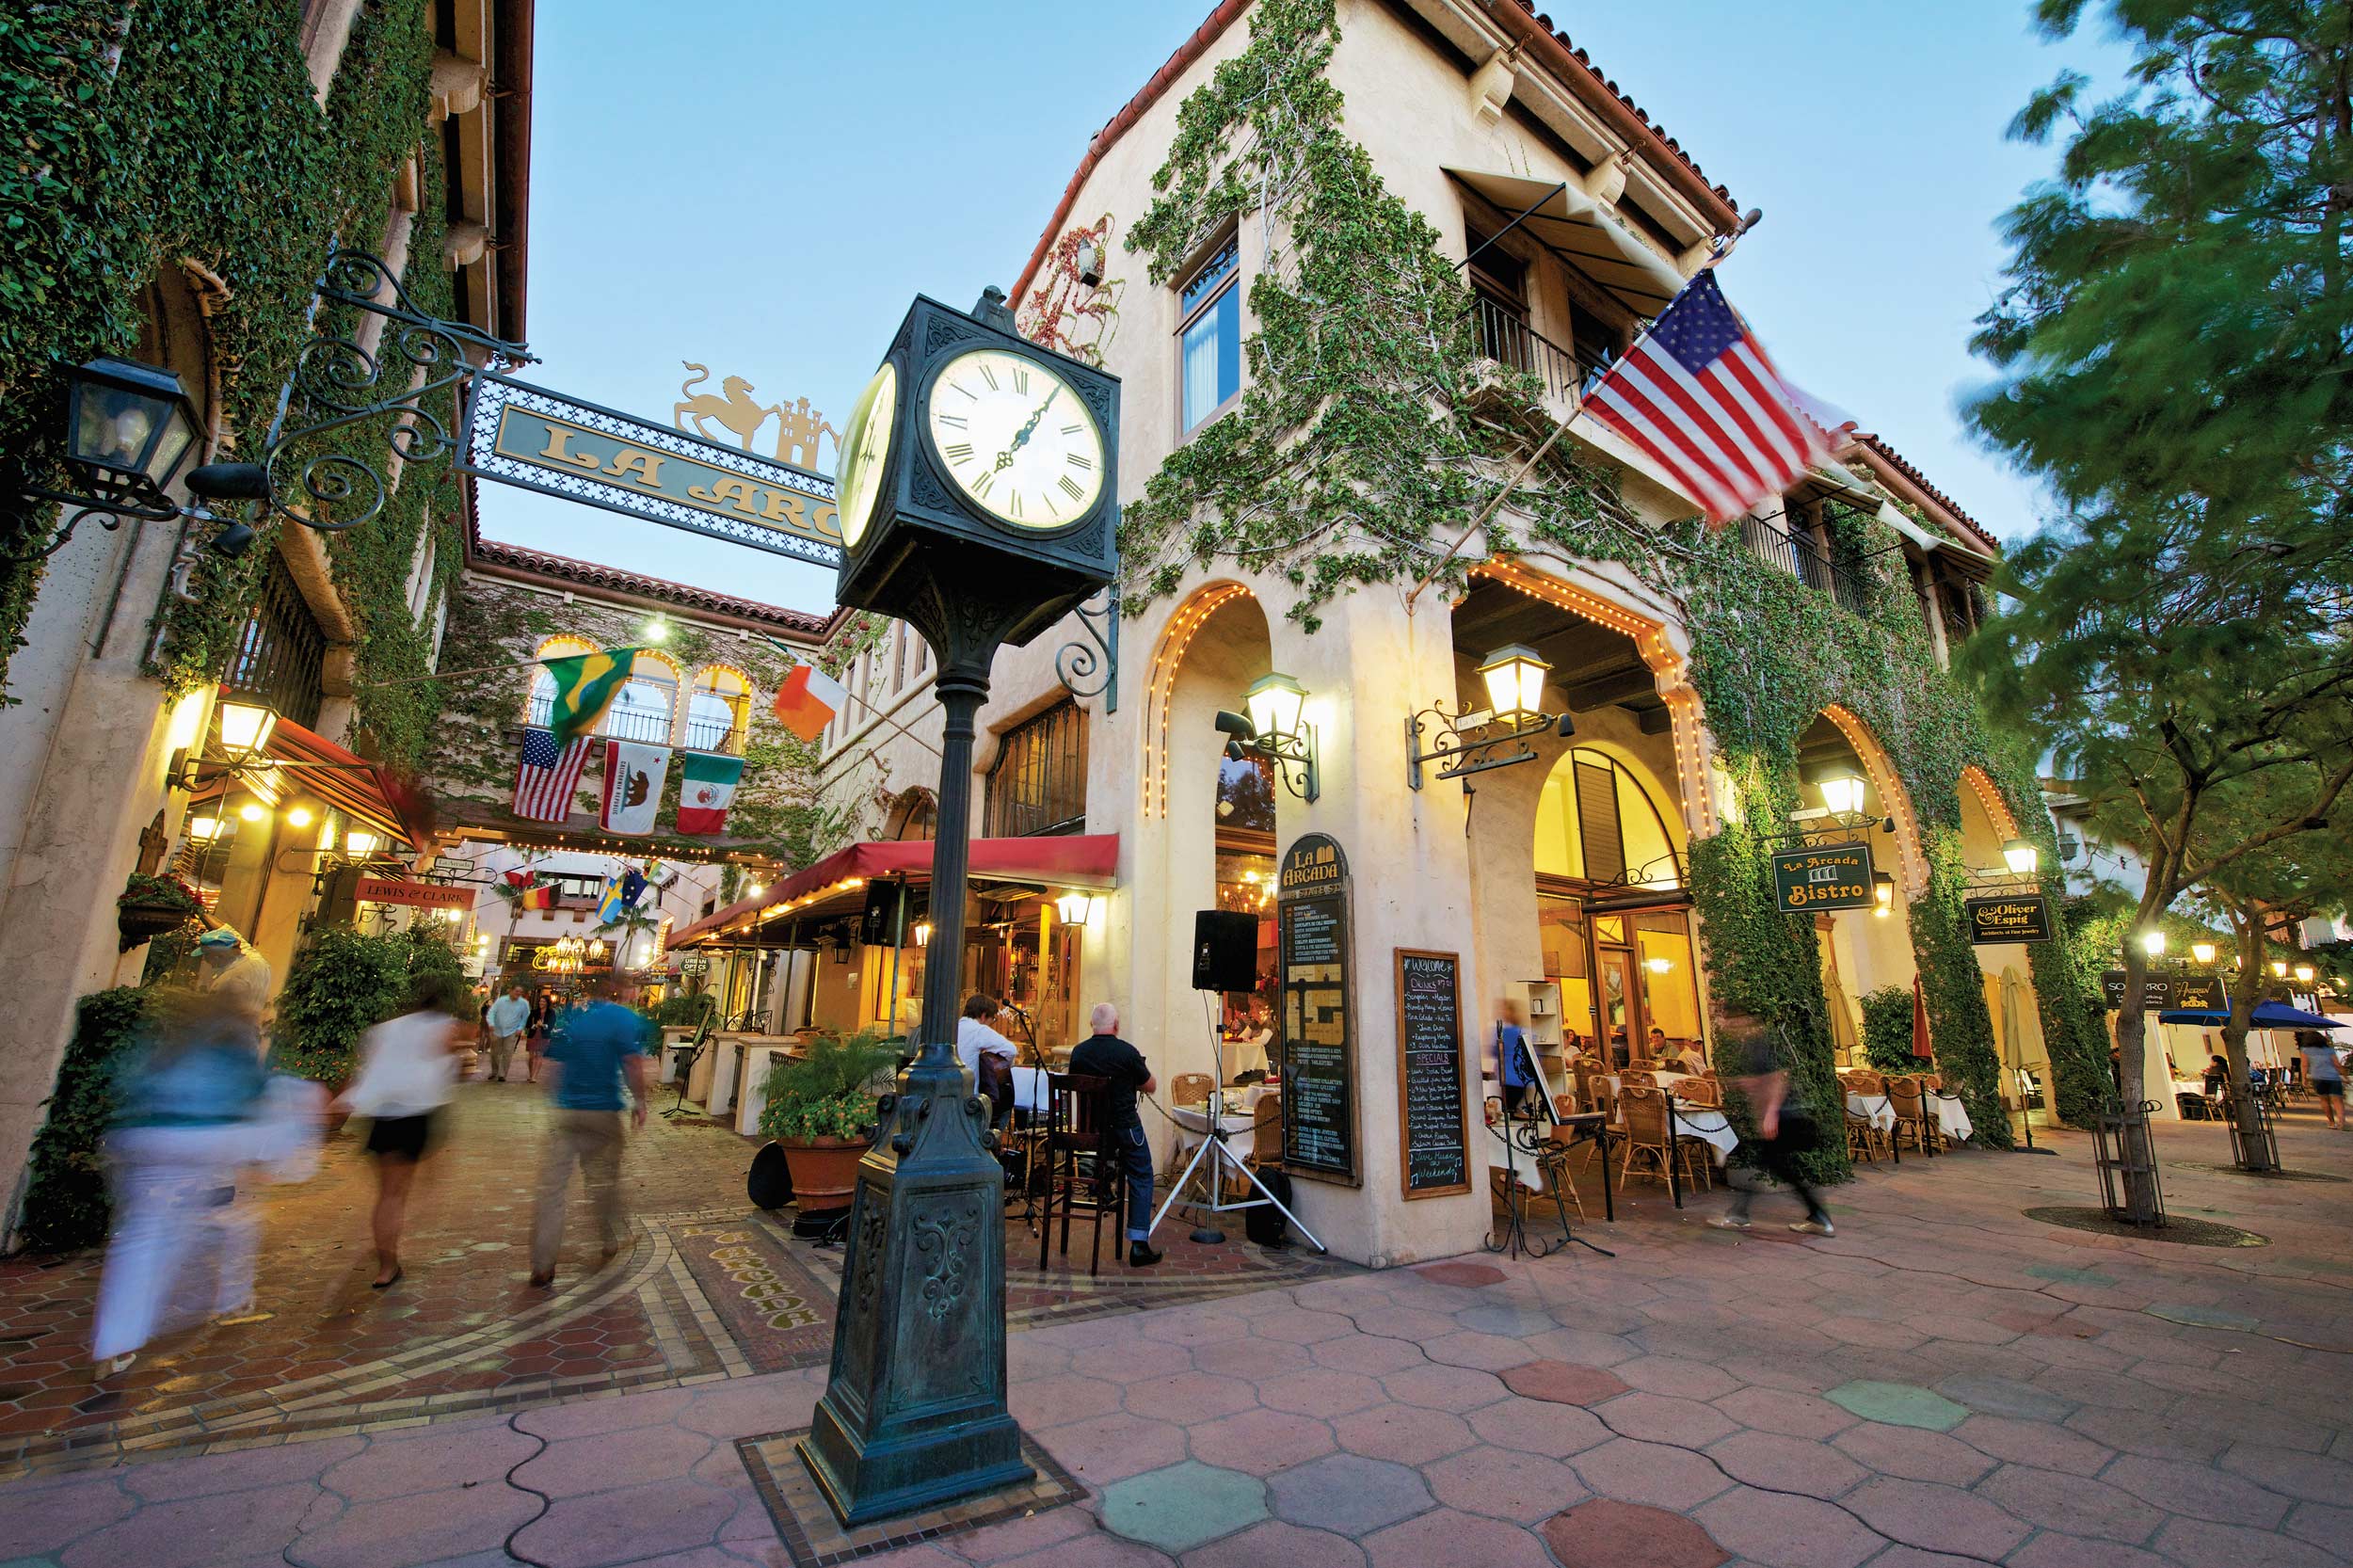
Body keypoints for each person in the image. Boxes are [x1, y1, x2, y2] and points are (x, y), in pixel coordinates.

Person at [91, 987, 272, 1376]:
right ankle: (219, 1295)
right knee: (205, 1225)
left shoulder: (166, 1045)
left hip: (146, 1138)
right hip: (202, 1140)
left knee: (141, 1237)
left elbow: (127, 1084)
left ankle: (114, 1341)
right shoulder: (232, 1045)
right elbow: (253, 1093)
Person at [342, 971, 469, 1288]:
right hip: (415, 1115)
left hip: (382, 1114)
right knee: (397, 1194)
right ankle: (388, 1263)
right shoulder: (445, 1029)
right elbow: (457, 1072)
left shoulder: (384, 1030)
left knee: (387, 1194)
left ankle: (386, 1256)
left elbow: (368, 1066)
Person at [528, 975, 650, 1287]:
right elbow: (632, 1062)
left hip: (567, 1112)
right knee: (603, 1181)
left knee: (552, 1189)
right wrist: (640, 1101)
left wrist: (556, 1102)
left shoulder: (575, 1017)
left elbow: (555, 1064)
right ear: (619, 992)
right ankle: (609, 1238)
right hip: (602, 1111)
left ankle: (543, 1262)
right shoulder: (622, 1018)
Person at [1712, 1029, 1833, 1237]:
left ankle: (1739, 1215)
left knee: (1775, 1165)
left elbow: (1778, 1078)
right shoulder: (1751, 1045)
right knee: (1777, 1165)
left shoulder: (1756, 1044)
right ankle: (1817, 1217)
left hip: (1782, 1119)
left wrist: (1770, 1114)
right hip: (1781, 1118)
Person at [1068, 1001, 1160, 1267]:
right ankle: (1139, 1243)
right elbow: (1150, 1086)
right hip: (1124, 1131)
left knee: (1110, 1155)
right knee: (1142, 1174)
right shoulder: (1127, 1052)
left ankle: (1102, 1179)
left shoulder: (1079, 1053)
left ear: (1091, 1026)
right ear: (1117, 1025)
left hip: (1092, 1134)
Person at [956, 992, 1019, 1130]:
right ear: (984, 1016)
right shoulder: (978, 1030)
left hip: (950, 1096)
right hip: (970, 1100)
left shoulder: (954, 1027)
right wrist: (1000, 1066)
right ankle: (990, 1144)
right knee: (1005, 1105)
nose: (992, 1025)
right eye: (993, 1020)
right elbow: (1011, 1050)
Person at [191, 927, 271, 1030]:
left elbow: (213, 1017)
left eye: (206, 955)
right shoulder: (259, 963)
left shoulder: (227, 981)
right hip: (250, 1033)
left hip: (228, 1036)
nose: (205, 960)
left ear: (218, 955)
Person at [2296, 1029, 2345, 1130]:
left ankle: (2331, 1122)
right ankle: (2341, 1122)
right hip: (2333, 1077)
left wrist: (2304, 1078)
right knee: (2337, 1101)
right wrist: (2344, 1076)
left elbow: (2304, 1065)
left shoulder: (2305, 1050)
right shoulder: (2329, 1050)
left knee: (2324, 1100)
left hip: (2318, 1077)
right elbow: (2337, 1064)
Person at [484, 984, 532, 1086]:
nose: (518, 993)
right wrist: (491, 1023)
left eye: (520, 992)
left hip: (512, 1031)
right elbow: (492, 1012)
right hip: (497, 1030)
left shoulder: (524, 1004)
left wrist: (520, 1028)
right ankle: (495, 1071)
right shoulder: (501, 1001)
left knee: (508, 1053)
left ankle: (502, 1074)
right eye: (516, 991)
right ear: (511, 991)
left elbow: (525, 1017)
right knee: (495, 1053)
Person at [1495, 998, 1532, 1115]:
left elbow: (1495, 1051)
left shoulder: (1507, 1032)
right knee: (1510, 1109)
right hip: (1520, 1077)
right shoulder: (1523, 1031)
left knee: (1508, 1110)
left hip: (1510, 1077)